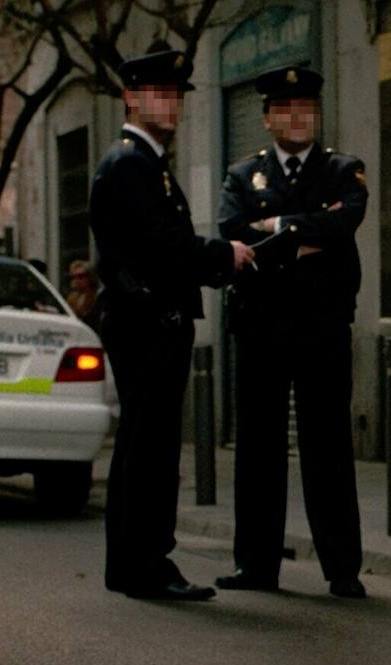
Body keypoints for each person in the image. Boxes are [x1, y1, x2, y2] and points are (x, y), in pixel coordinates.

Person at [89, 41, 254, 601]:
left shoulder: (142, 163)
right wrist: (222, 256)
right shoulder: (132, 164)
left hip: (147, 315)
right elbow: (163, 246)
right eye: (158, 93)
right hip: (147, 318)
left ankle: (133, 564)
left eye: (176, 94)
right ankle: (146, 565)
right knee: (152, 446)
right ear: (130, 98)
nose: (171, 103)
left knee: (145, 444)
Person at [217, 65, 369, 599]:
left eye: (306, 106)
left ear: (318, 114)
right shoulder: (243, 175)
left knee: (327, 444)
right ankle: (256, 566)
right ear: (266, 118)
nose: (297, 116)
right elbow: (232, 232)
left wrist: (275, 228)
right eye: (284, 108)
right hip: (260, 327)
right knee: (258, 447)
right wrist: (307, 231)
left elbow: (346, 219)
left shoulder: (342, 169)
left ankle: (342, 569)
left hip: (323, 325)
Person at [65, 259, 101, 329]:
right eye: (73, 277)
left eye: (81, 276)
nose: (77, 280)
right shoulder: (72, 298)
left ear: (90, 277)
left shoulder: (98, 296)